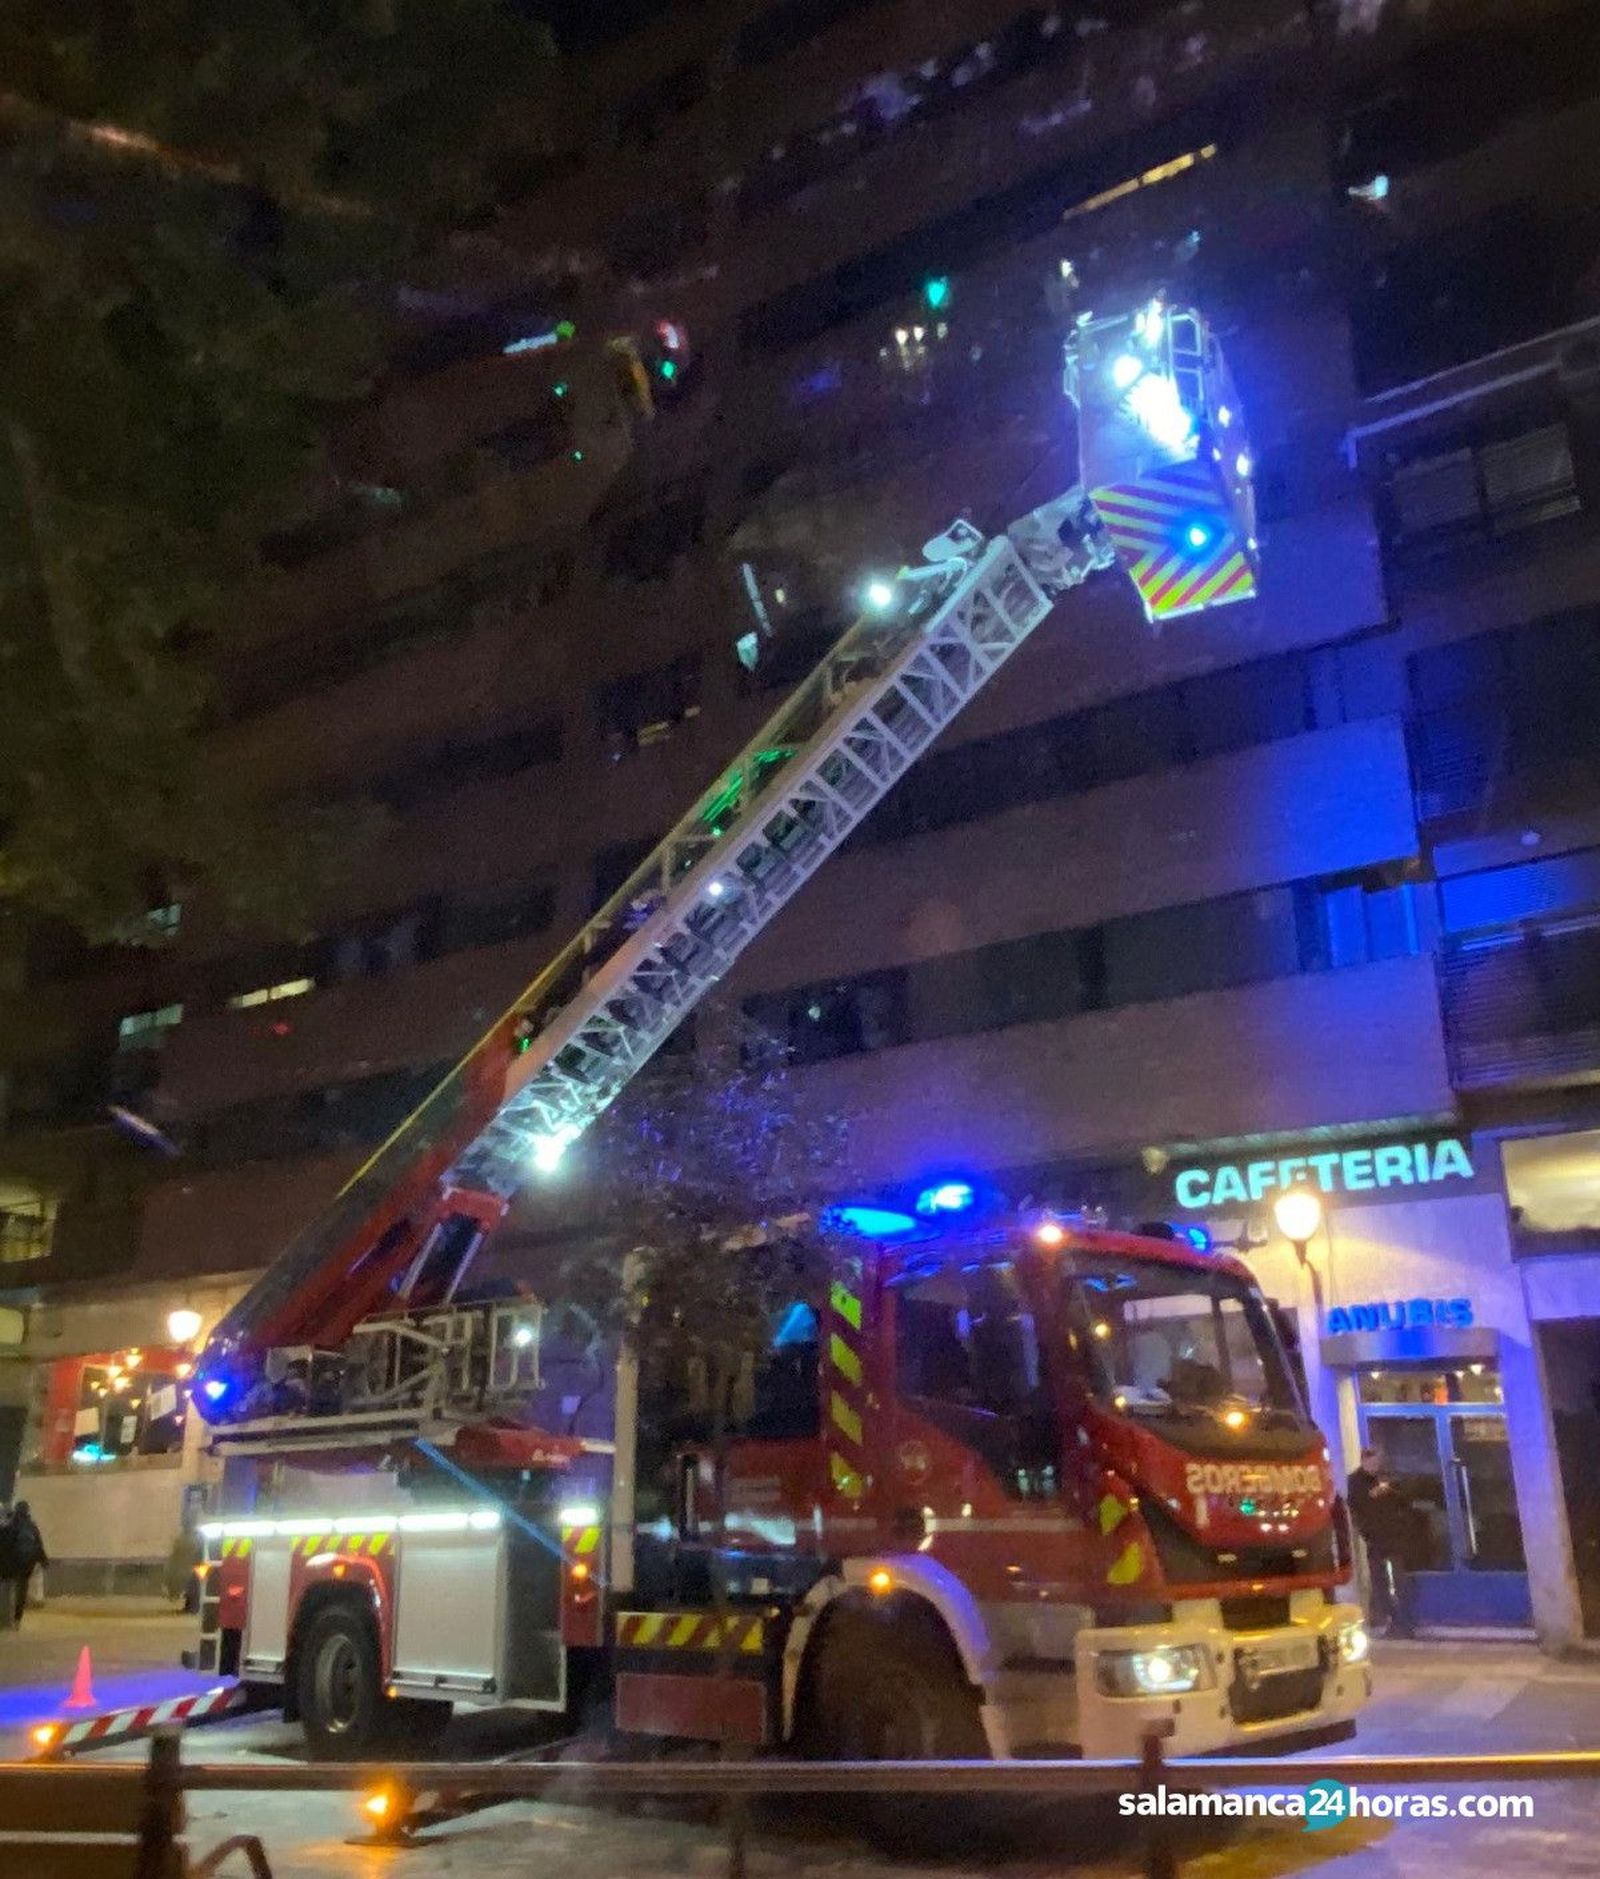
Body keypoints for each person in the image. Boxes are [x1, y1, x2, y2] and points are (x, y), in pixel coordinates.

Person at [1347, 1446, 1415, 1638]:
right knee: (1380, 1582)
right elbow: (1356, 1506)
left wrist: (1391, 1490)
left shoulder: (1386, 1477)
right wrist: (1365, 1532)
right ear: (1364, 1461)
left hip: (1394, 1537)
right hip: (1375, 1540)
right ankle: (1390, 1620)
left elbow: (1403, 1498)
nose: (1376, 1466)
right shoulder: (1355, 1481)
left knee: (1401, 1581)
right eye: (1373, 1462)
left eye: (1378, 1462)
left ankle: (1405, 1622)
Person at [2, 1501, 48, 1627]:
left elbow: (5, 1544)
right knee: (22, 1590)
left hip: (13, 1563)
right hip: (28, 1564)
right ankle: (17, 1618)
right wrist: (44, 1561)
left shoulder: (11, 1526)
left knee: (7, 1587)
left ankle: (6, 1618)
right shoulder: (32, 1526)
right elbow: (38, 1545)